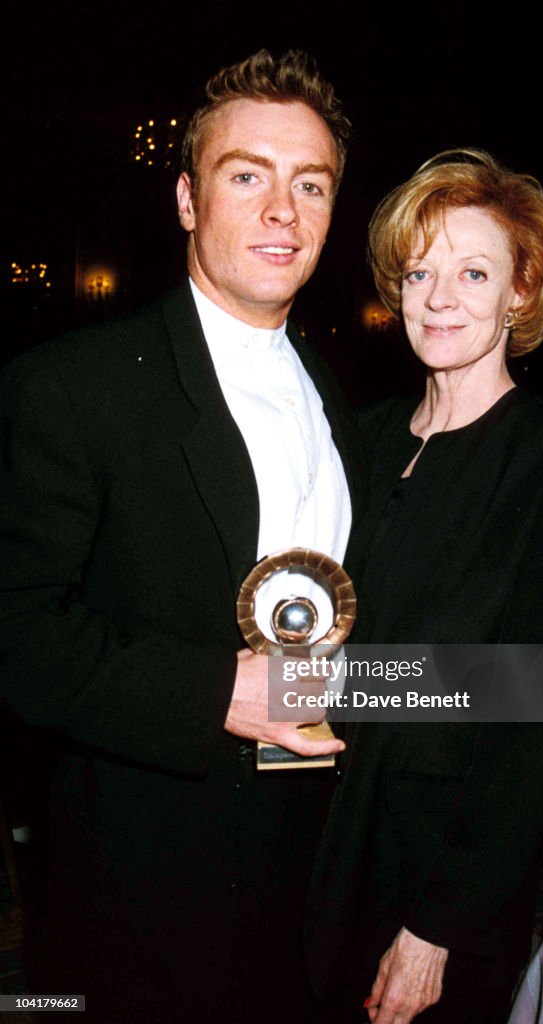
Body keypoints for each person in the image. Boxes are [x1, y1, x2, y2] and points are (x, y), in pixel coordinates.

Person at [0, 49, 364, 1022]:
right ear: (186, 200)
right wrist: (218, 690)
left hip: (313, 863)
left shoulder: (339, 393)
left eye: (310, 184)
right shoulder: (73, 385)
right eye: (247, 175)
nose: (282, 210)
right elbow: (18, 635)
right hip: (149, 882)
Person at [306, 149, 543, 1023]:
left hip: (434, 872)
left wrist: (437, 925)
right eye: (420, 272)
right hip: (309, 839)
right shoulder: (356, 441)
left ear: (520, 290)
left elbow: (536, 716)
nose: (440, 297)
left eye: (473, 271)